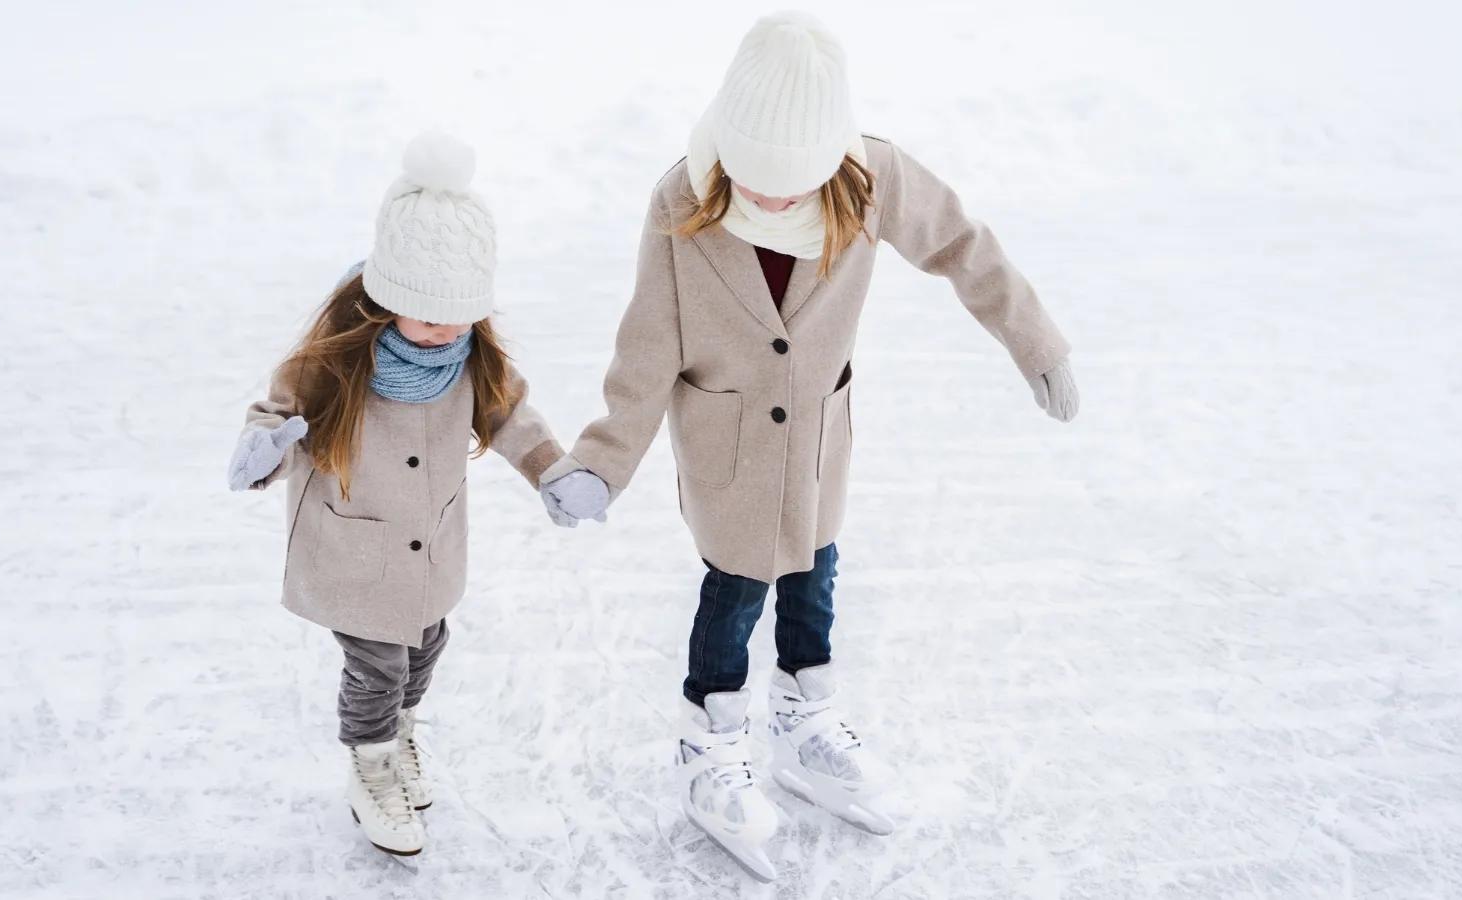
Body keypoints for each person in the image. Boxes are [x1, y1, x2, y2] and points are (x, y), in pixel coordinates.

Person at [536, 11, 1080, 880]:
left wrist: (1035, 343)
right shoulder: (682, 198)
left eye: (793, 182)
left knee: (815, 577)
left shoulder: (873, 178)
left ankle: (803, 721)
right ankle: (711, 746)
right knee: (735, 591)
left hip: (820, 443)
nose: (775, 200)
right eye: (757, 180)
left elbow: (962, 246)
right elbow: (648, 343)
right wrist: (603, 461)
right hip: (728, 447)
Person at [228, 131, 566, 857]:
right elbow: (277, 415)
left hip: (429, 546)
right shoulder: (333, 358)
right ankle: (371, 761)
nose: (445, 331)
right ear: (389, 299)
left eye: (459, 314)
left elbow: (510, 416)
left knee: (426, 645)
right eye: (429, 315)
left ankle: (398, 731)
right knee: (378, 665)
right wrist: (264, 451)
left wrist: (553, 471)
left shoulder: (471, 357)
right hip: (352, 546)